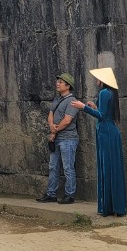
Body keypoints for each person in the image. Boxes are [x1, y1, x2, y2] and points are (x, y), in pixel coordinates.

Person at [72, 65, 127, 216]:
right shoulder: (110, 93)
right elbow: (105, 112)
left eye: (98, 77)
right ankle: (116, 206)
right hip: (110, 132)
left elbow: (102, 116)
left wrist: (83, 107)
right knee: (112, 167)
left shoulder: (104, 92)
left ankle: (108, 207)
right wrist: (94, 106)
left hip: (106, 133)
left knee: (107, 167)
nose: (96, 80)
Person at [37, 72, 80, 204]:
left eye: (61, 82)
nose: (58, 83)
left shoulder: (72, 101)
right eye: (58, 81)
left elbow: (67, 121)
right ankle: (51, 193)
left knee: (68, 167)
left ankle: (70, 195)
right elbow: (51, 114)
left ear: (68, 86)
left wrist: (54, 130)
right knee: (53, 166)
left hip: (68, 138)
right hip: (56, 137)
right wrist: (52, 126)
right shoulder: (57, 99)